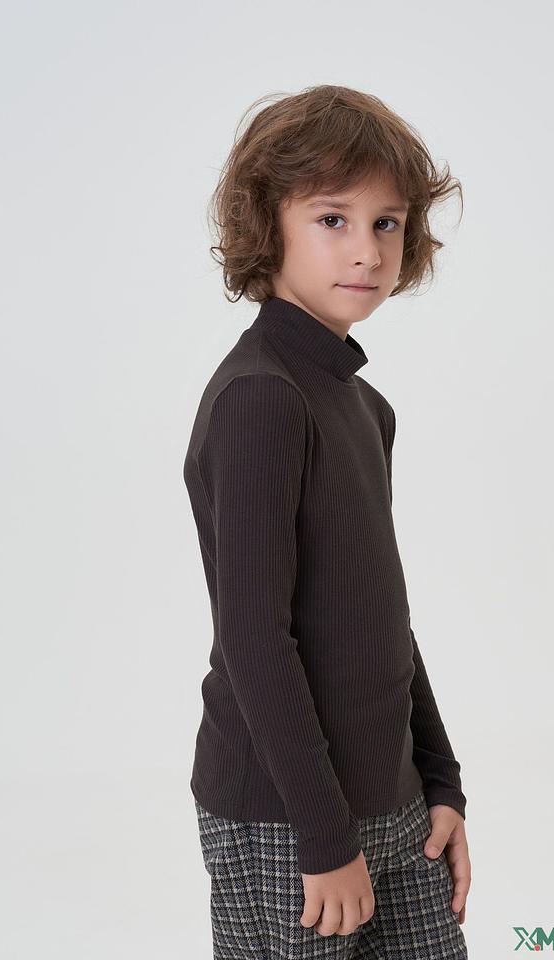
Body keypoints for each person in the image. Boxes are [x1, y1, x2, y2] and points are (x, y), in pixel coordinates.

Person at [183, 83, 471, 959]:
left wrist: (442, 783)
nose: (368, 250)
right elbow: (254, 639)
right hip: (289, 817)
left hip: (393, 802)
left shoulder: (363, 405)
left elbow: (379, 615)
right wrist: (323, 837)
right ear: (267, 224)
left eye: (388, 223)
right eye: (333, 219)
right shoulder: (262, 399)